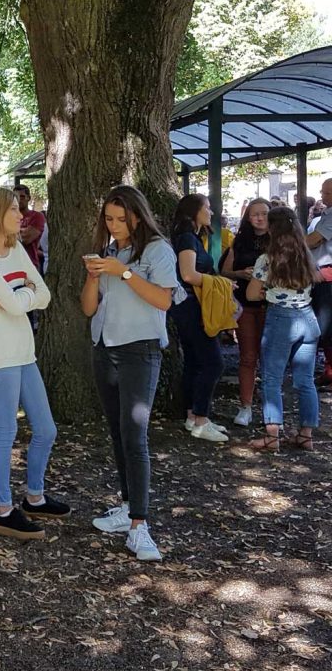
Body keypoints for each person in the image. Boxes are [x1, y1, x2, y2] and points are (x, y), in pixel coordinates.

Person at [81, 186, 176, 562]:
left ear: (139, 215)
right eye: (109, 219)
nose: (115, 225)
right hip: (106, 349)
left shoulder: (157, 250)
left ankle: (140, 524)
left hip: (141, 350)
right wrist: (92, 277)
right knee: (118, 431)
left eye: (122, 218)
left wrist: (124, 274)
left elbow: (164, 300)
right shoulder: (109, 252)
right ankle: (127, 506)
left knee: (135, 435)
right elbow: (89, 309)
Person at [0, 188, 66, 541]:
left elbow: (44, 295)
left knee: (46, 429)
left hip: (24, 350)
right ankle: (3, 509)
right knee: (5, 431)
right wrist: (21, 294)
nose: (20, 214)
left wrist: (16, 296)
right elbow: (20, 300)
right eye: (12, 209)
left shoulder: (17, 249)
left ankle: (34, 497)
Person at [247, 206, 321, 452]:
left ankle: (272, 435)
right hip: (308, 320)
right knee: (306, 381)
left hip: (280, 320)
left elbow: (252, 295)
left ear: (272, 228)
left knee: (271, 379)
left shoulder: (266, 260)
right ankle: (306, 434)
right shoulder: (307, 256)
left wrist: (264, 289)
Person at [169, 194, 229, 443]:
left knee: (194, 361)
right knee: (213, 363)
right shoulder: (187, 239)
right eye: (207, 207)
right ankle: (201, 419)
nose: (211, 212)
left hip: (190, 306)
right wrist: (221, 282)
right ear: (194, 211)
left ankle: (193, 416)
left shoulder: (193, 238)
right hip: (192, 307)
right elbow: (188, 274)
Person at [221, 199, 270, 426]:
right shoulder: (240, 241)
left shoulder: (281, 240)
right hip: (246, 306)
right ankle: (246, 406)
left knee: (271, 359)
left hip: (273, 307)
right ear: (248, 218)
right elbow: (225, 272)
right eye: (254, 214)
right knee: (248, 356)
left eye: (263, 213)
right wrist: (241, 273)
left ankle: (272, 409)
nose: (259, 218)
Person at [304, 178, 332, 384]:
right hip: (321, 273)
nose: (322, 197)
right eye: (322, 192)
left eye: (327, 193)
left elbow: (314, 240)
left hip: (326, 276)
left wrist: (290, 243)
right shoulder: (327, 214)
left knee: (326, 326)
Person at [14, 184, 46, 273]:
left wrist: (6, 233)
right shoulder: (9, 216)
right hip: (11, 264)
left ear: (28, 198)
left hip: (30, 264)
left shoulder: (37, 216)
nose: (19, 200)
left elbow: (25, 239)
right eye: (16, 197)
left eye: (22, 196)